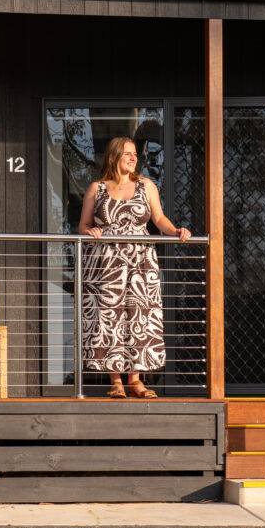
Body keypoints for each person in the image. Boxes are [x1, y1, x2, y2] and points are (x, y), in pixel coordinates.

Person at [78, 137, 191, 399]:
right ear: (113, 157)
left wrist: (176, 231)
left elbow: (159, 218)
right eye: (127, 154)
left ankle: (136, 380)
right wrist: (91, 230)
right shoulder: (97, 188)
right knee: (109, 317)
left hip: (141, 262)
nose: (133, 158)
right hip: (106, 262)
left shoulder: (146, 186)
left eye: (135, 154)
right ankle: (115, 380)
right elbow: (82, 226)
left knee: (139, 315)